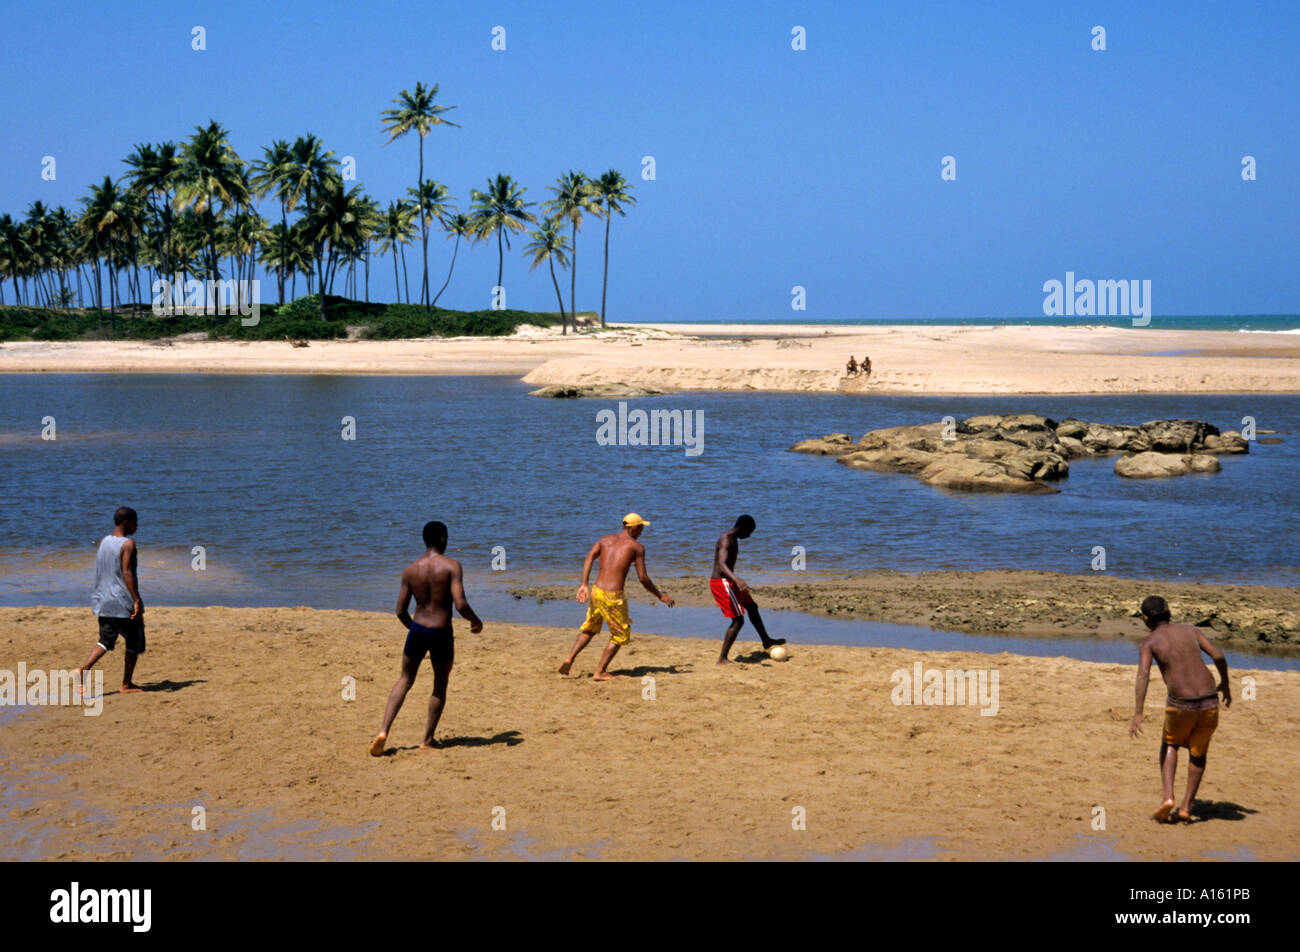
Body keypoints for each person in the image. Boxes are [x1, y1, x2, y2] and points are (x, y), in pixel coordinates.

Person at [370, 521, 482, 756]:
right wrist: (475, 620)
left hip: (418, 630)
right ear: (443, 539)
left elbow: (400, 610)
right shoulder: (452, 566)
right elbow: (460, 603)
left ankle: (383, 731)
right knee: (439, 684)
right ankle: (427, 739)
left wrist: (414, 630)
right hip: (441, 632)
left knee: (405, 679)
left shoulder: (411, 570)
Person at [1129, 595, 1231, 823]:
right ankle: (1186, 806)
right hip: (1210, 701)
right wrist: (1225, 683)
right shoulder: (1190, 630)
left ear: (1145, 619)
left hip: (1180, 705)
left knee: (1171, 744)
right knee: (1198, 752)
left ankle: (1168, 798)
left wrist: (1138, 712)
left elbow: (1143, 675)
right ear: (1170, 612)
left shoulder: (1148, 642)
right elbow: (1218, 655)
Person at [559, 513, 674, 681]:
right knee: (621, 634)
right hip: (613, 597)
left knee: (590, 628)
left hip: (597, 591)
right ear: (633, 528)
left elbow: (590, 556)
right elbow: (643, 577)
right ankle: (600, 672)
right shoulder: (636, 547)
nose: (642, 531)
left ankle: (569, 658)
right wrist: (659, 595)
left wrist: (584, 584)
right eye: (641, 527)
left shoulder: (605, 540)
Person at [76, 507, 145, 696]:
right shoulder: (128, 544)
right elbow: (127, 572)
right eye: (135, 522)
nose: (137, 526)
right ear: (126, 523)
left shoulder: (103, 542)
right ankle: (126, 684)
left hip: (103, 600)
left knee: (105, 640)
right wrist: (137, 599)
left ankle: (84, 670)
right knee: (135, 641)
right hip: (121, 601)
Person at [709, 514, 785, 664]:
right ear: (743, 528)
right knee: (738, 621)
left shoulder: (734, 538)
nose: (749, 536)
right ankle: (722, 658)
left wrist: (735, 581)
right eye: (749, 532)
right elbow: (722, 565)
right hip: (721, 583)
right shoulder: (727, 539)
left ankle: (766, 640)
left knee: (752, 606)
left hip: (730, 581)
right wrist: (737, 580)